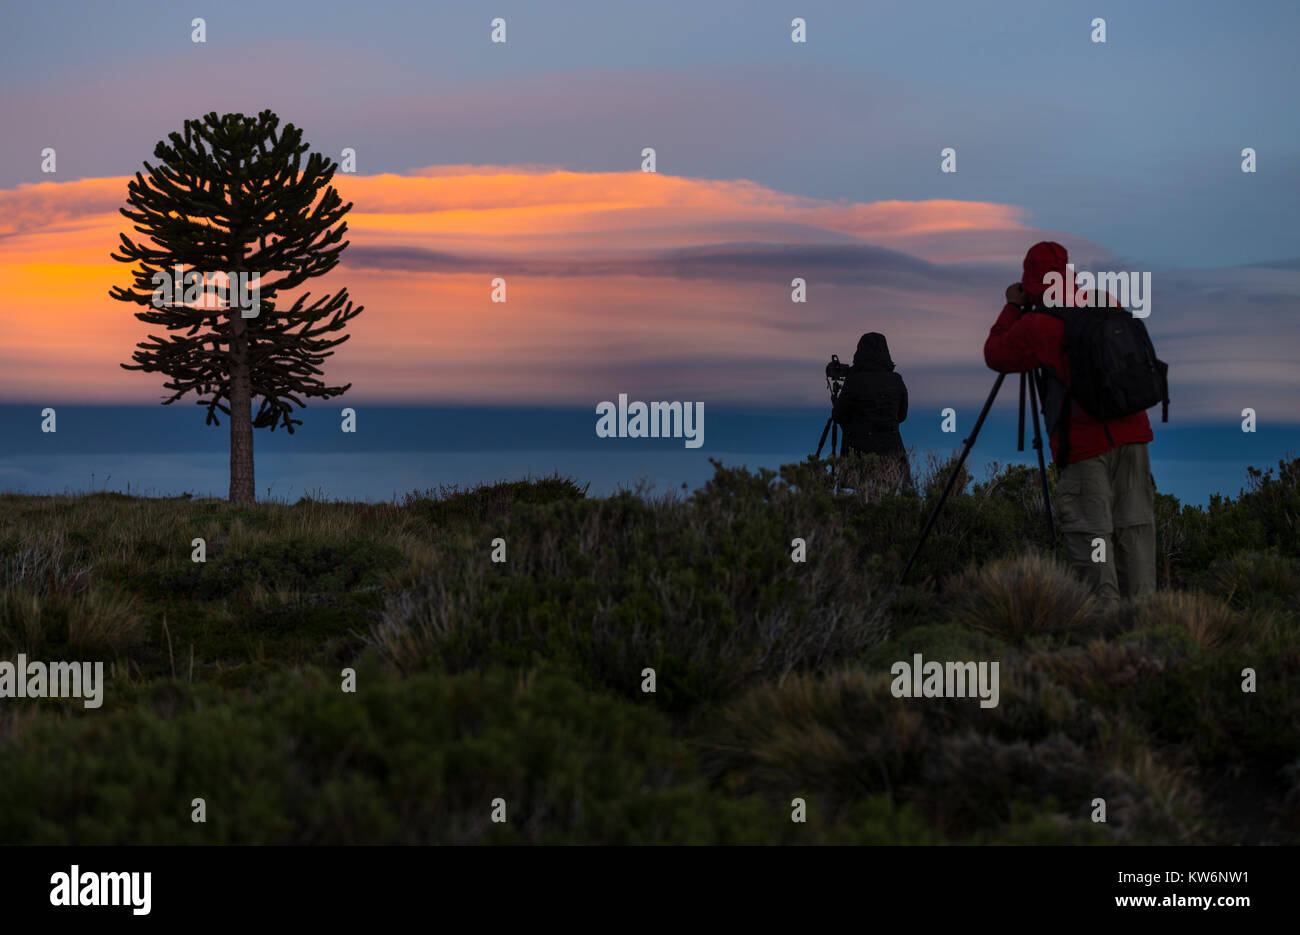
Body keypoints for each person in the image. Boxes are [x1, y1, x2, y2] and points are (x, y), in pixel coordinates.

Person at [983, 241, 1156, 603]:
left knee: (1091, 536)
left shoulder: (1038, 323)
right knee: (1135, 531)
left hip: (1085, 446)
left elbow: (996, 355)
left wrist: (1012, 306)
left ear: (1030, 279)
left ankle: (1102, 631)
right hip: (1134, 435)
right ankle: (1146, 624)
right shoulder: (1105, 300)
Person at [832, 332, 913, 491]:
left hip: (859, 455)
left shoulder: (854, 381)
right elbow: (902, 415)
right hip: (893, 452)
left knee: (862, 501)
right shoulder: (896, 380)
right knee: (891, 499)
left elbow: (838, 415)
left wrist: (836, 401)